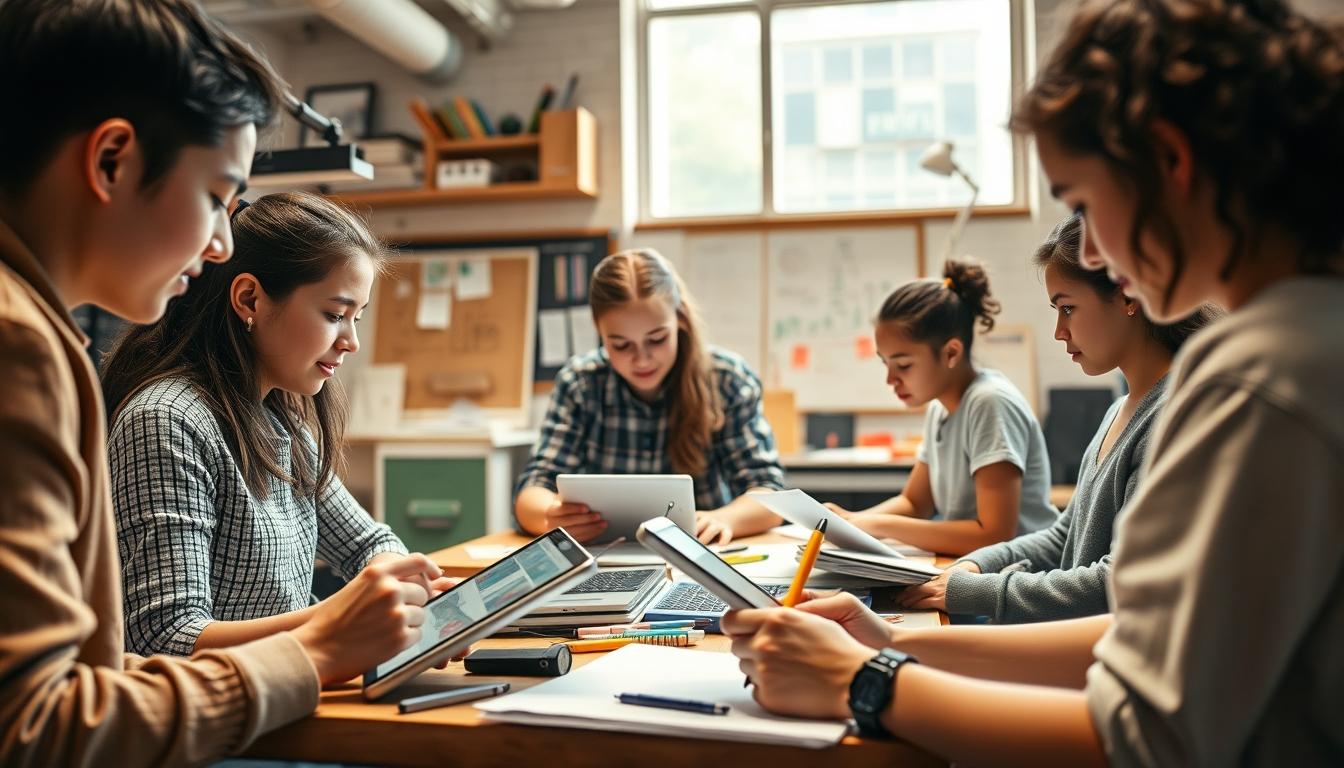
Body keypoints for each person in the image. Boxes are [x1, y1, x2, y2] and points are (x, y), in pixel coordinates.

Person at [724, 0, 1343, 764]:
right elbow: (1142, 637)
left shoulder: (1260, 379)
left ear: (1170, 164)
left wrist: (868, 683)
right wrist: (890, 649)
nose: (1085, 242)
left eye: (1082, 202)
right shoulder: (1304, 337)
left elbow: (1146, 737)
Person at [0, 2, 438, 763]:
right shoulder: (25, 349)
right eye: (216, 196)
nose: (220, 244)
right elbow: (40, 725)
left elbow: (80, 678)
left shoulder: (42, 336)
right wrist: (319, 640)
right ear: (112, 161)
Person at [102, 192, 446, 656]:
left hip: (288, 691)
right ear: (250, 300)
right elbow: (166, 636)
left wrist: (395, 589)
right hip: (219, 714)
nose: (352, 342)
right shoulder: (165, 421)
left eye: (356, 318)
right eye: (334, 315)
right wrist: (344, 616)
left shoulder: (279, 419)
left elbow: (371, 541)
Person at [899, 213, 1217, 621]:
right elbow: (1062, 537)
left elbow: (1117, 581)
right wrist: (977, 565)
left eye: (1067, 308)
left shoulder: (1173, 416)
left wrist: (975, 591)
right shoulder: (1119, 411)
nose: (1058, 331)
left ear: (1128, 296)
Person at [515, 248, 786, 545]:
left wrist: (724, 519)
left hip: (701, 555)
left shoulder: (726, 379)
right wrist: (549, 515)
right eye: (620, 345)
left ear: (680, 319)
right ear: (600, 332)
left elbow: (769, 493)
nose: (641, 360)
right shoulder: (580, 382)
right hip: (604, 559)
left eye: (657, 339)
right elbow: (533, 489)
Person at [828, 258, 1058, 556]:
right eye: (885, 363)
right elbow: (915, 503)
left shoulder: (989, 402)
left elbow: (994, 534)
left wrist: (878, 525)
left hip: (1022, 575)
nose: (890, 379)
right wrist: (850, 522)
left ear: (951, 353)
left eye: (903, 365)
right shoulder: (940, 409)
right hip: (976, 568)